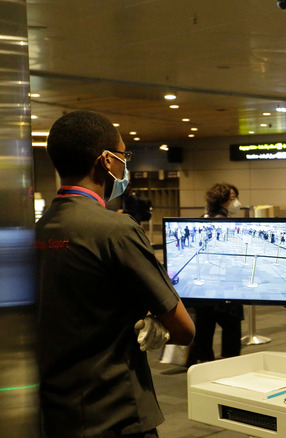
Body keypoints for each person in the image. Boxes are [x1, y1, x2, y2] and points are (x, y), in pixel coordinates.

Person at [36, 110, 195, 436]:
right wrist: (156, 320)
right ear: (107, 161)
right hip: (116, 412)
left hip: (56, 413)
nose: (126, 164)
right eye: (124, 155)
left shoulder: (38, 229)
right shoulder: (115, 229)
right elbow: (183, 329)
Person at [186, 183, 244, 367]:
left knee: (204, 329)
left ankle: (205, 366)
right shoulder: (223, 221)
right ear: (222, 200)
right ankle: (228, 365)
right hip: (226, 285)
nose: (235, 202)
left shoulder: (205, 217)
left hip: (205, 286)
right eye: (232, 197)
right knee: (231, 329)